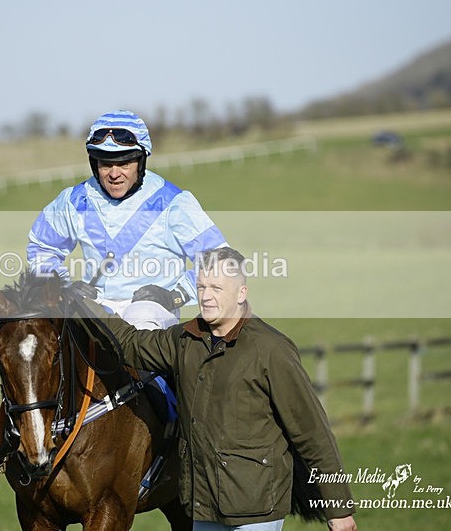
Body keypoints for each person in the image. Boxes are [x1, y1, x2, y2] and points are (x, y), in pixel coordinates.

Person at [68, 247, 357, 530]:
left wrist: (339, 509)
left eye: (217, 288)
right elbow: (130, 343)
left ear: (241, 293)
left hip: (256, 509)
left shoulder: (271, 350)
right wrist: (83, 306)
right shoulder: (184, 340)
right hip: (203, 506)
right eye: (202, 286)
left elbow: (312, 435)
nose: (206, 296)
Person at [27, 110, 226, 330]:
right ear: (95, 164)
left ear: (141, 163)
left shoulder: (175, 203)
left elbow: (219, 260)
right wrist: (62, 287)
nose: (114, 174)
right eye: (105, 164)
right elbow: (41, 247)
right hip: (95, 309)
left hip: (152, 314)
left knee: (140, 316)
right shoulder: (73, 201)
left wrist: (176, 296)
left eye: (124, 164)